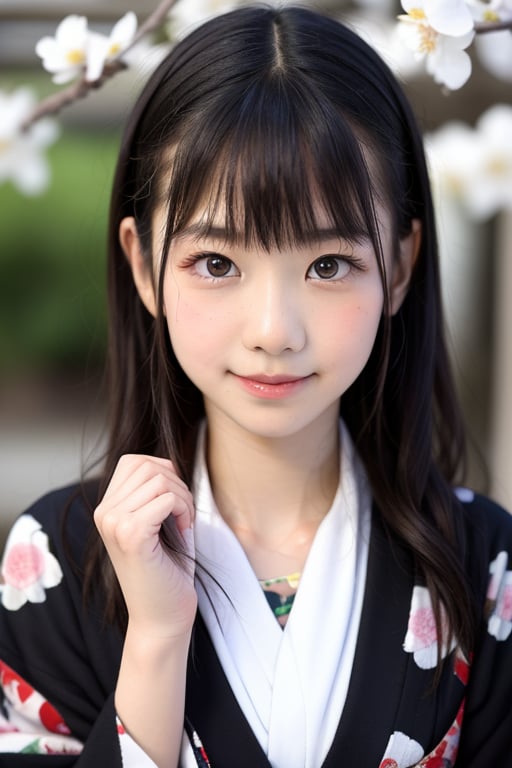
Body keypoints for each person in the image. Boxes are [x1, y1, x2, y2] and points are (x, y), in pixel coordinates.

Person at [0, 5, 511, 767]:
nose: (274, 329)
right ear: (143, 266)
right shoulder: (56, 561)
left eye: (328, 265)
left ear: (400, 265)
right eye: (217, 263)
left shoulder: (484, 566)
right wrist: (156, 643)